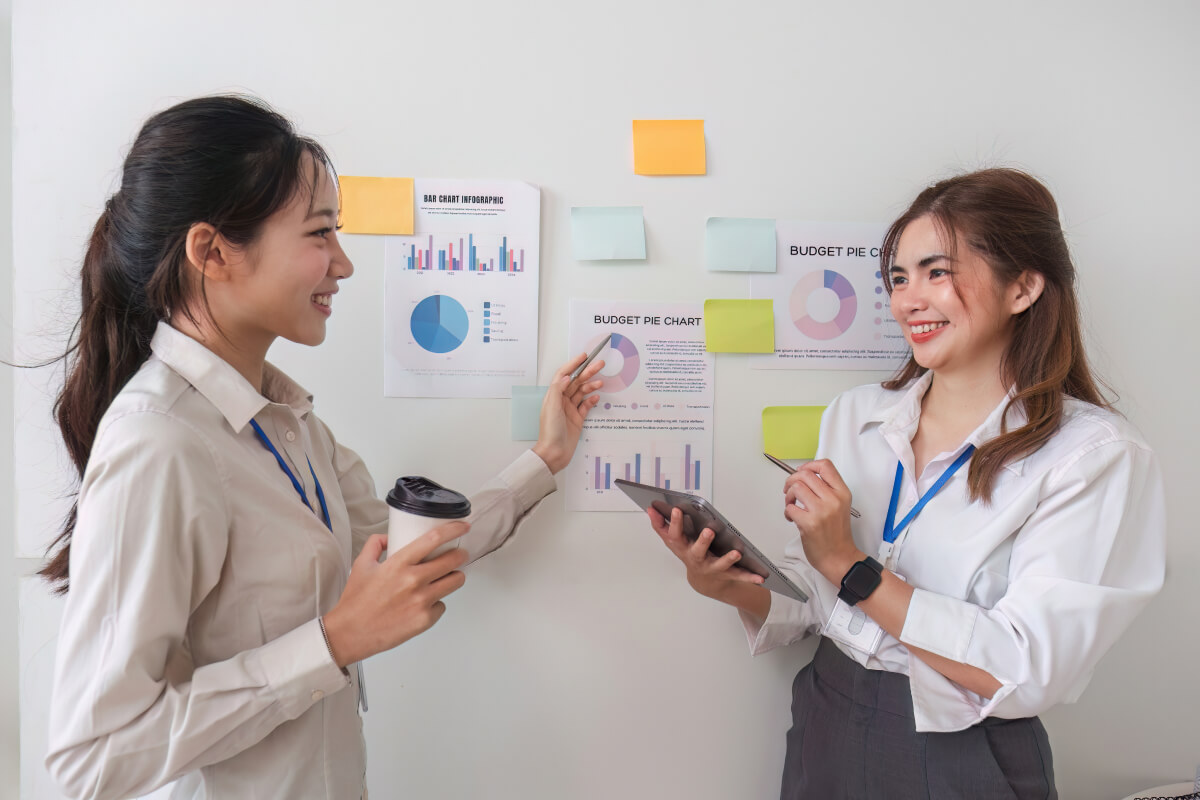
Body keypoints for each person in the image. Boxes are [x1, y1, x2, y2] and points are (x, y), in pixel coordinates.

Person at [40, 95, 604, 800]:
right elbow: (94, 759)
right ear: (212, 252)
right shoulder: (160, 442)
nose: (344, 264)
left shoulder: (287, 424)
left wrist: (545, 458)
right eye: (319, 234)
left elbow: (411, 549)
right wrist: (334, 642)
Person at [647, 168, 1165, 798]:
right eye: (897, 278)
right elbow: (815, 600)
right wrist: (723, 582)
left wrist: (849, 564)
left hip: (960, 745)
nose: (907, 301)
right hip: (826, 712)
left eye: (935, 272)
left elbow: (1027, 669)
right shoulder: (855, 416)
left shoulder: (1091, 454)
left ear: (1024, 287)